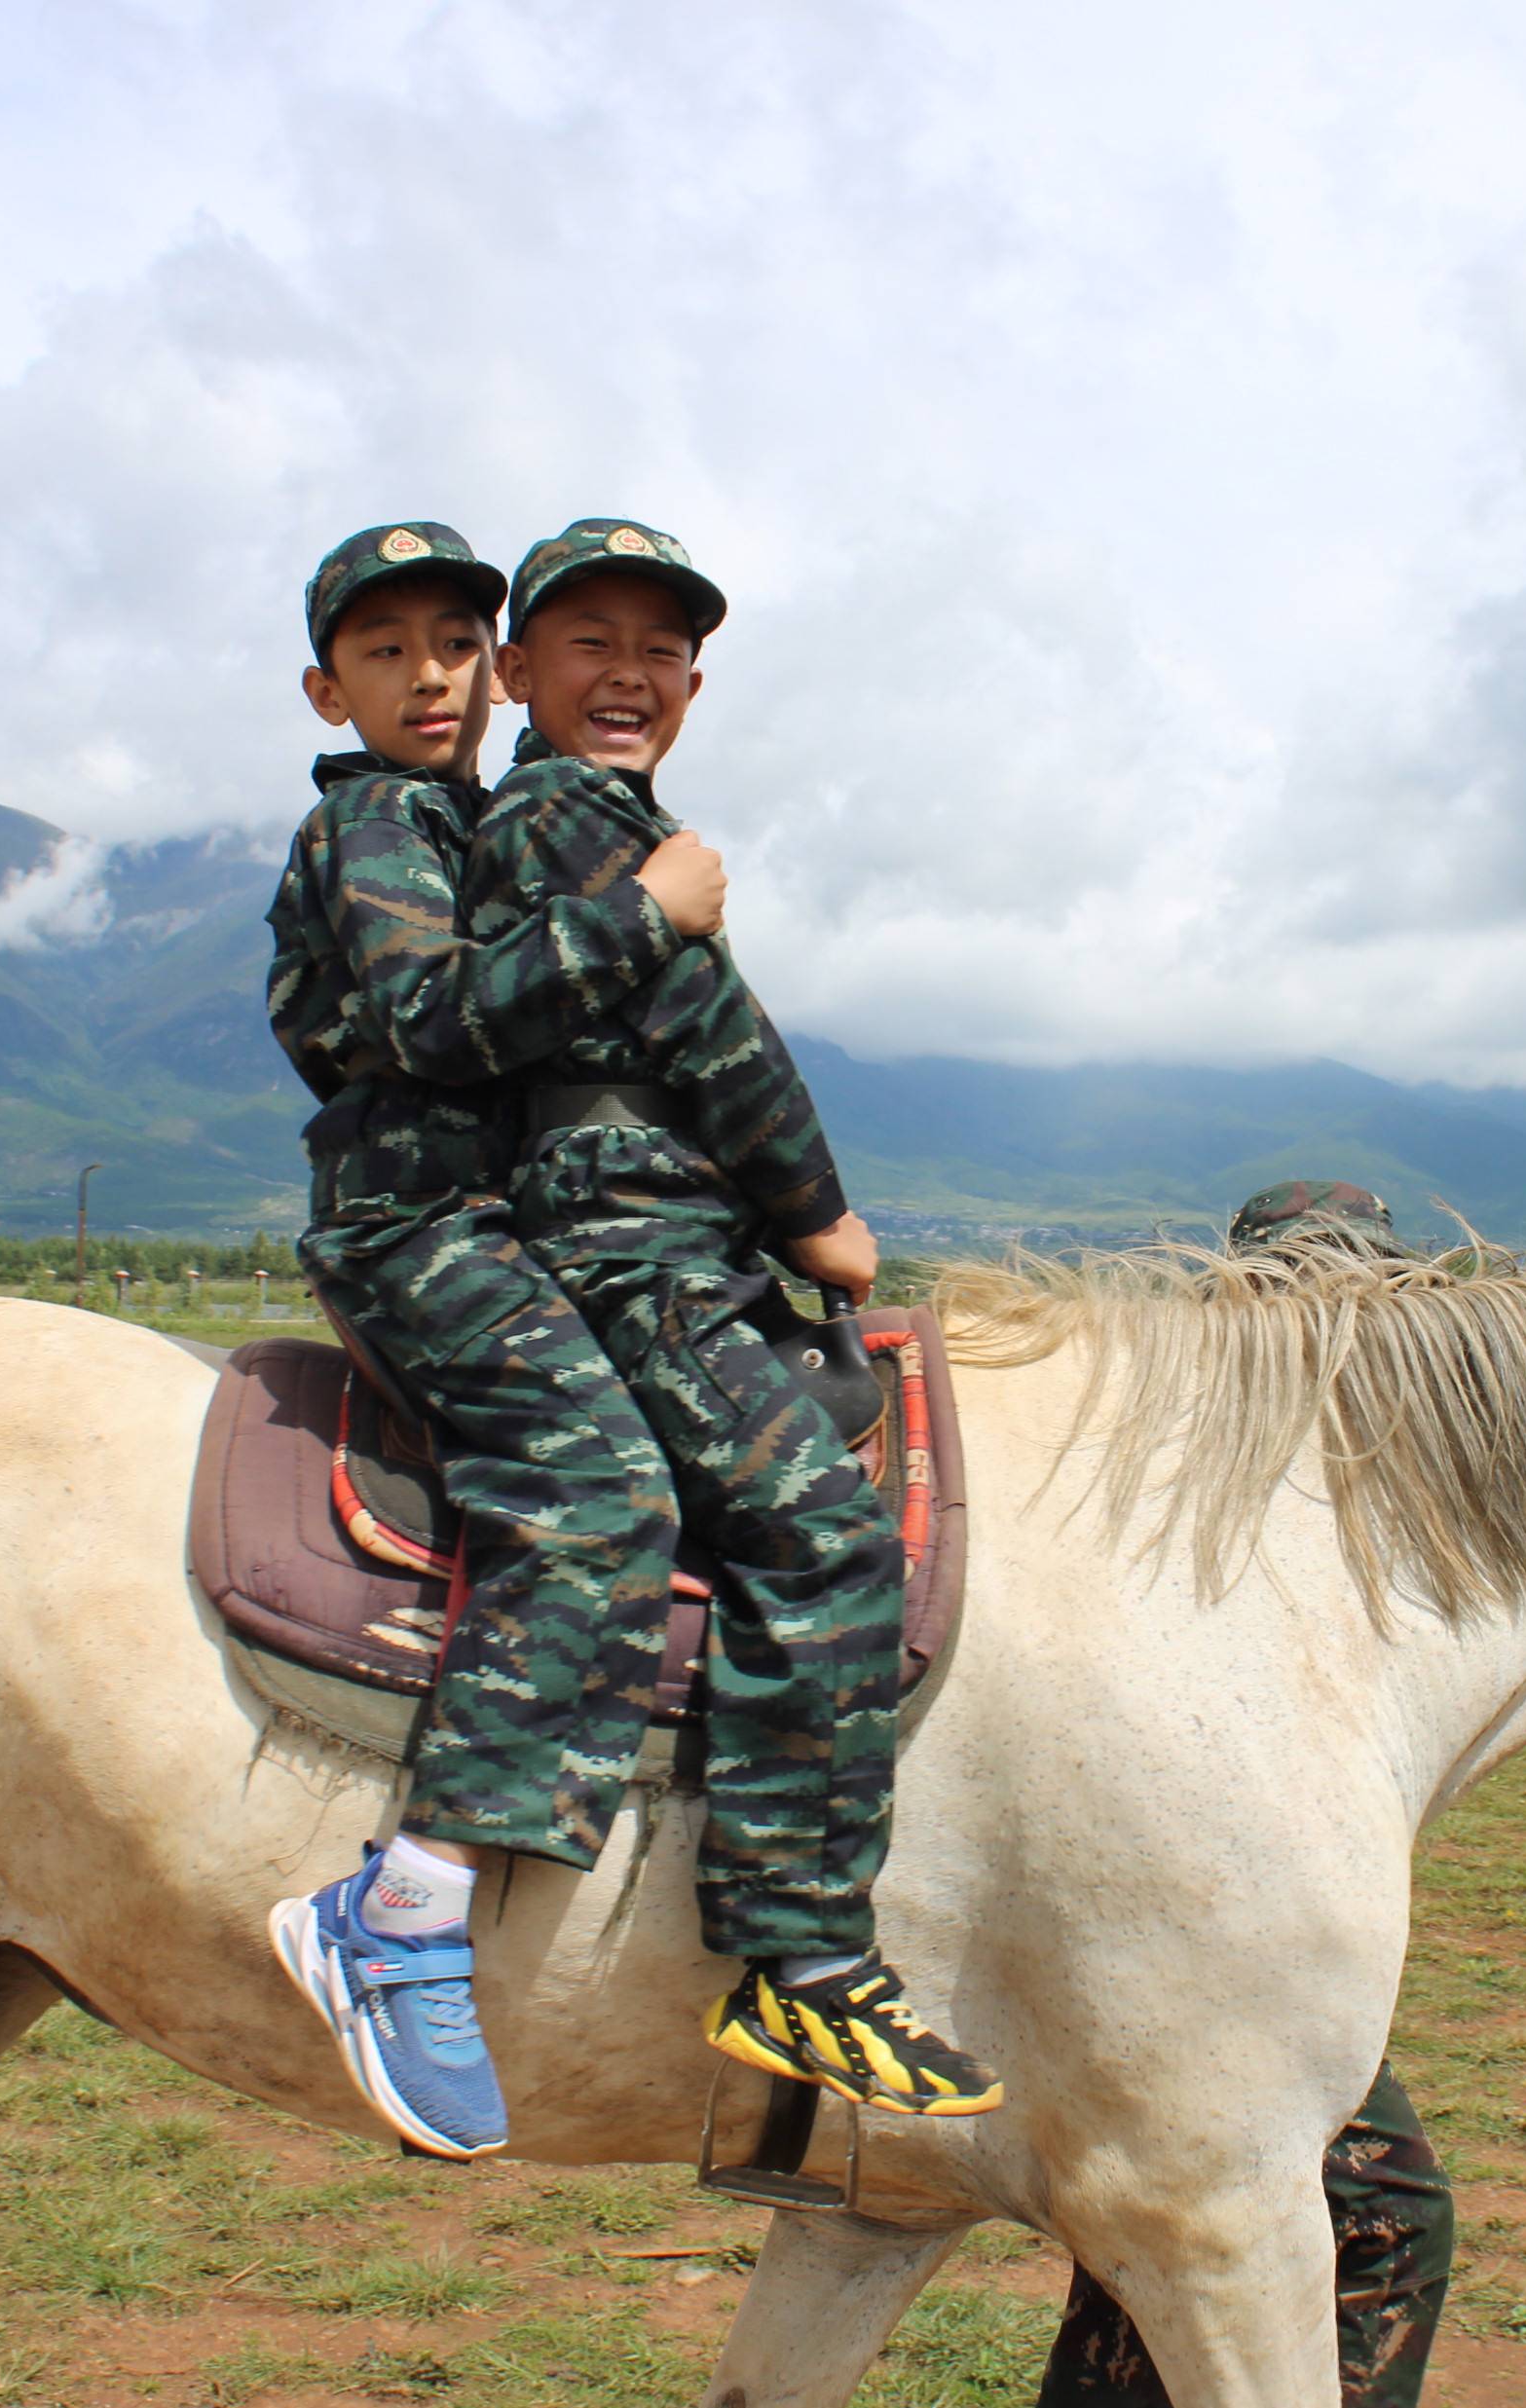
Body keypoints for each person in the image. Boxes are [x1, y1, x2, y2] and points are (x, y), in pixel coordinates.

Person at [464, 516, 999, 2119]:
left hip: (665, 1231)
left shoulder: (616, 826)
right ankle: (804, 1957)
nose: (630, 673)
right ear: (516, 670)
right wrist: (817, 1213)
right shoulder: (571, 817)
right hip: (630, 1246)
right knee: (824, 1539)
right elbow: (712, 1035)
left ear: (696, 684)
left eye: (662, 650)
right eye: (591, 643)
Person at [257, 520, 731, 2162]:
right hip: (421, 1228)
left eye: (456, 645)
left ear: (497, 666)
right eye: (385, 653)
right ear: (328, 690)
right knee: (600, 1491)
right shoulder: (381, 822)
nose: (430, 679)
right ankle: (405, 1900)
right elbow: (426, 1018)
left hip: (504, 1220)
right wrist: (646, 917)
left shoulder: (477, 821)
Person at [992, 1181, 1459, 2408]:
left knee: (1176, 2223)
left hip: (1140, 1914)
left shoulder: (1211, 1445)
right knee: (1353, 2214)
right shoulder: (1258, 1471)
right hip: (1170, 1928)